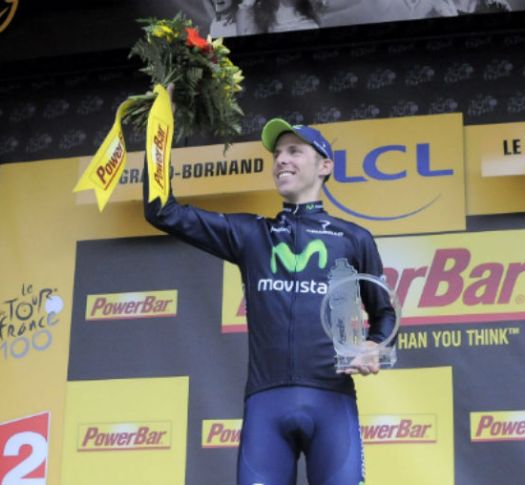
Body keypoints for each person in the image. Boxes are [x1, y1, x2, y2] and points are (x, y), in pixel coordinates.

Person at [143, 89, 396, 485]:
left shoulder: (354, 238)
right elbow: (163, 212)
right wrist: (161, 129)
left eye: (295, 151)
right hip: (265, 405)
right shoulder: (251, 235)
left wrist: (374, 345)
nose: (281, 159)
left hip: (332, 402)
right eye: (277, 154)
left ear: (325, 165)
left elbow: (384, 313)